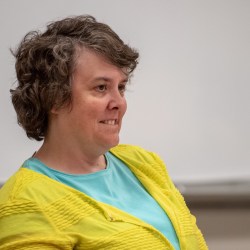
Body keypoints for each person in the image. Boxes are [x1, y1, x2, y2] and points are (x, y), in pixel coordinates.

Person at [0, 15, 208, 250]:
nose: (119, 102)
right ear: (54, 98)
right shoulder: (25, 203)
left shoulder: (145, 164)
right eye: (101, 88)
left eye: (121, 87)